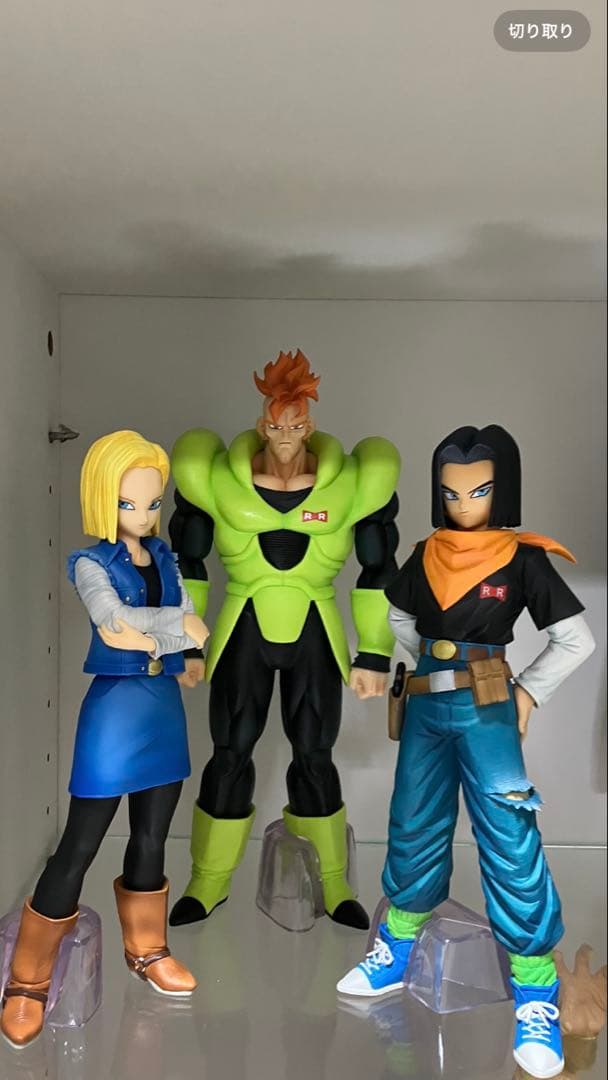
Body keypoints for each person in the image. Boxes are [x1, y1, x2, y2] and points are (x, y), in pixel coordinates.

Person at [337, 425, 595, 1080]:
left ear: (502, 490)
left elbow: (575, 638)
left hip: (487, 708)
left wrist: (528, 691)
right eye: (451, 492)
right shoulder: (427, 552)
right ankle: (396, 949)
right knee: (413, 823)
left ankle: (535, 990)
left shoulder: (522, 558)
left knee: (509, 834)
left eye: (478, 492)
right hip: (426, 705)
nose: (463, 504)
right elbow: (399, 617)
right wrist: (417, 666)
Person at [168, 350, 401, 931]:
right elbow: (186, 560)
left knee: (315, 752)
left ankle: (333, 881)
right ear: (262, 424)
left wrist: (374, 651)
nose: (287, 435)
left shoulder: (353, 483)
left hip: (315, 623)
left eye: (297, 424)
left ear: (310, 425)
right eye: (277, 424)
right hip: (241, 620)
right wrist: (185, 644)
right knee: (230, 750)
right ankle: (209, 878)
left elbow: (379, 568)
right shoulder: (216, 478)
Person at [1, 430, 208, 1050]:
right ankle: (27, 978)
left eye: (152, 502)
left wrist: (171, 635)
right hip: (116, 711)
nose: (143, 515)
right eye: (128, 503)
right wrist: (178, 626)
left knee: (152, 835)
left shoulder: (166, 558)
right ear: (101, 499)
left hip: (163, 707)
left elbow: (188, 628)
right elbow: (114, 623)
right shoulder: (90, 563)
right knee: (80, 842)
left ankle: (147, 949)